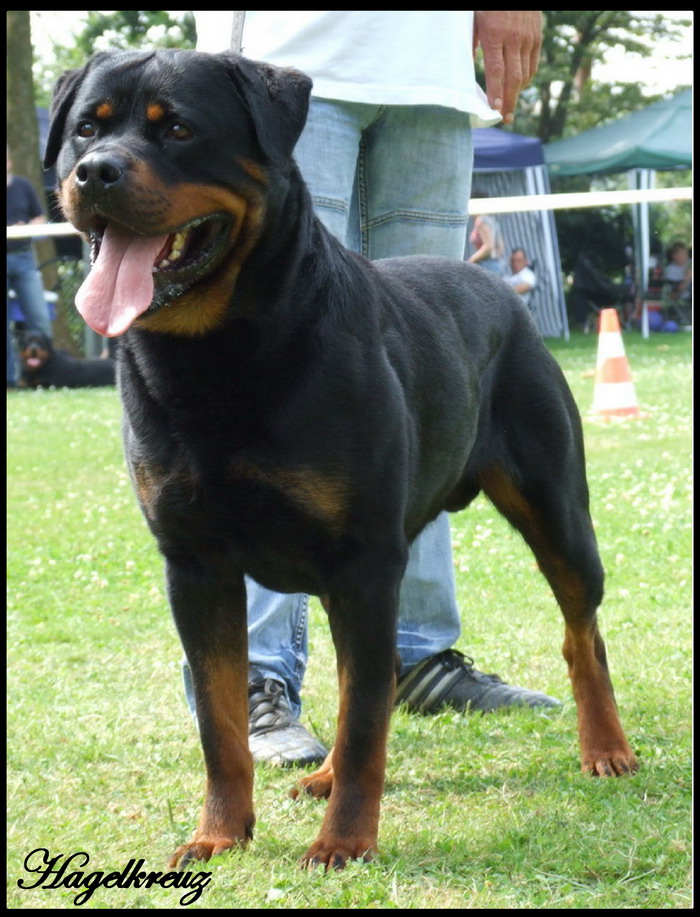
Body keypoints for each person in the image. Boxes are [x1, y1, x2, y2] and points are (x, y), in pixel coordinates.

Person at [190, 10, 560, 766]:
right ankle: (260, 676)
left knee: (431, 383)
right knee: (275, 370)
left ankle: (415, 654)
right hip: (287, 53)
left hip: (430, 68)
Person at [7, 151, 53, 388]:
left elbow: (40, 219)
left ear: (10, 161)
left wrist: (25, 226)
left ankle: (47, 376)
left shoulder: (23, 186)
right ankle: (11, 380)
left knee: (40, 318)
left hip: (24, 258)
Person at [466, 203, 506, 276]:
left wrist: (471, 260)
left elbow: (488, 247)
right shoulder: (492, 220)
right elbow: (500, 247)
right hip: (496, 264)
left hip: (486, 264)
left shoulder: (481, 221)